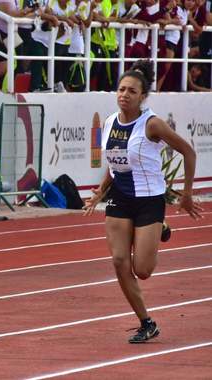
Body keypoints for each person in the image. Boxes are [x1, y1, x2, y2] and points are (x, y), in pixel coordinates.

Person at [83, 60, 203, 343]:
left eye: (132, 91)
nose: (124, 95)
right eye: (121, 89)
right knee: (119, 261)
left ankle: (159, 226)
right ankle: (146, 322)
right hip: (120, 199)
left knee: (143, 270)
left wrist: (185, 194)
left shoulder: (152, 124)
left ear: (142, 96)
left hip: (149, 199)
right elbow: (114, 165)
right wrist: (100, 192)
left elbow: (188, 152)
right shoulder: (110, 122)